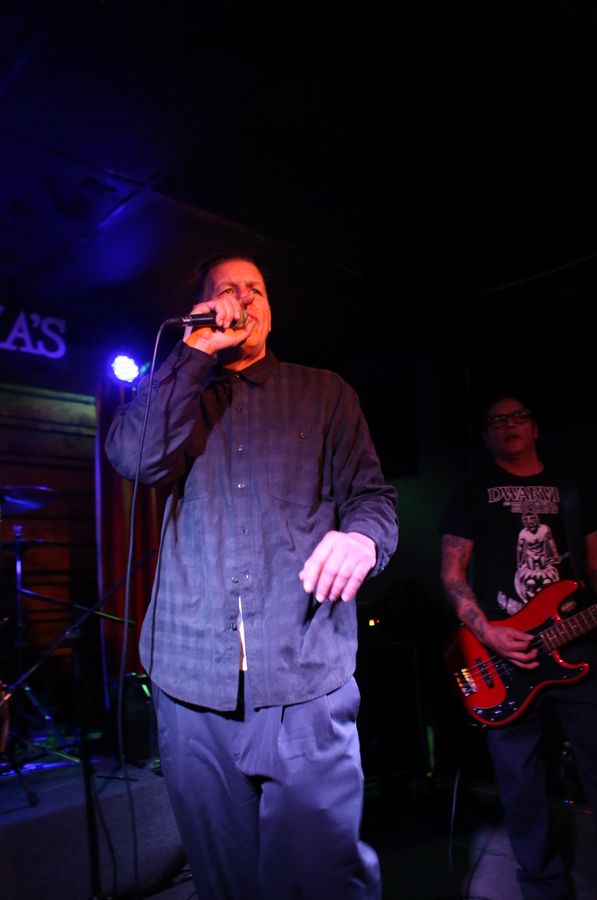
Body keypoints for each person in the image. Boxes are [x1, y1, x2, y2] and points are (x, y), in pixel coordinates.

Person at [105, 253, 398, 899]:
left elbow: (373, 498)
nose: (244, 300)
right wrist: (192, 355)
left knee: (327, 876)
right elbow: (134, 459)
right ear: (203, 309)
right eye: (228, 290)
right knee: (225, 880)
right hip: (191, 681)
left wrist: (361, 538)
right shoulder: (176, 394)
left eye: (256, 289)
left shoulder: (325, 392)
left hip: (304, 673)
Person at [440, 395, 597, 900]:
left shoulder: (573, 487)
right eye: (497, 421)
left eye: (518, 417)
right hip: (502, 655)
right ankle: (543, 887)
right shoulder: (471, 491)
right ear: (486, 436)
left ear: (535, 428)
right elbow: (452, 574)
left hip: (577, 643)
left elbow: (594, 568)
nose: (508, 425)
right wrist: (489, 633)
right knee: (520, 785)